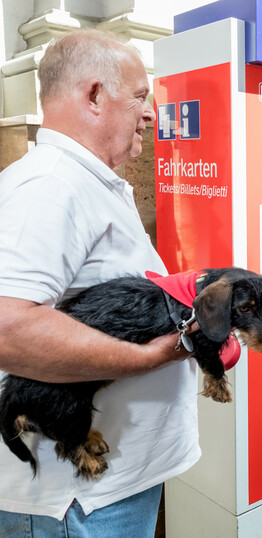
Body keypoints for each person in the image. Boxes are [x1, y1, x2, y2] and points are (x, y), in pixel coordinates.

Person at [0, 30, 199, 537]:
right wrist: (150, 358)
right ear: (94, 96)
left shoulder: (89, 184)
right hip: (77, 503)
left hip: (107, 491)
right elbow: (8, 327)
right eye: (139, 96)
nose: (150, 113)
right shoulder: (50, 186)